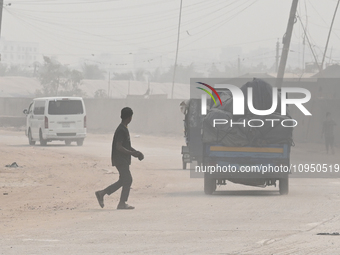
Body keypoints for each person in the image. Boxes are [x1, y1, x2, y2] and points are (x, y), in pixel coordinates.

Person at [95, 107, 144, 209]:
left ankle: (102, 193)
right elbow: (119, 146)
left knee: (123, 180)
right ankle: (121, 203)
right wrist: (132, 153)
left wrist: (136, 153)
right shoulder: (122, 130)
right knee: (128, 180)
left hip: (122, 159)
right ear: (130, 117)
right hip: (120, 159)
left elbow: (126, 146)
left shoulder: (124, 128)